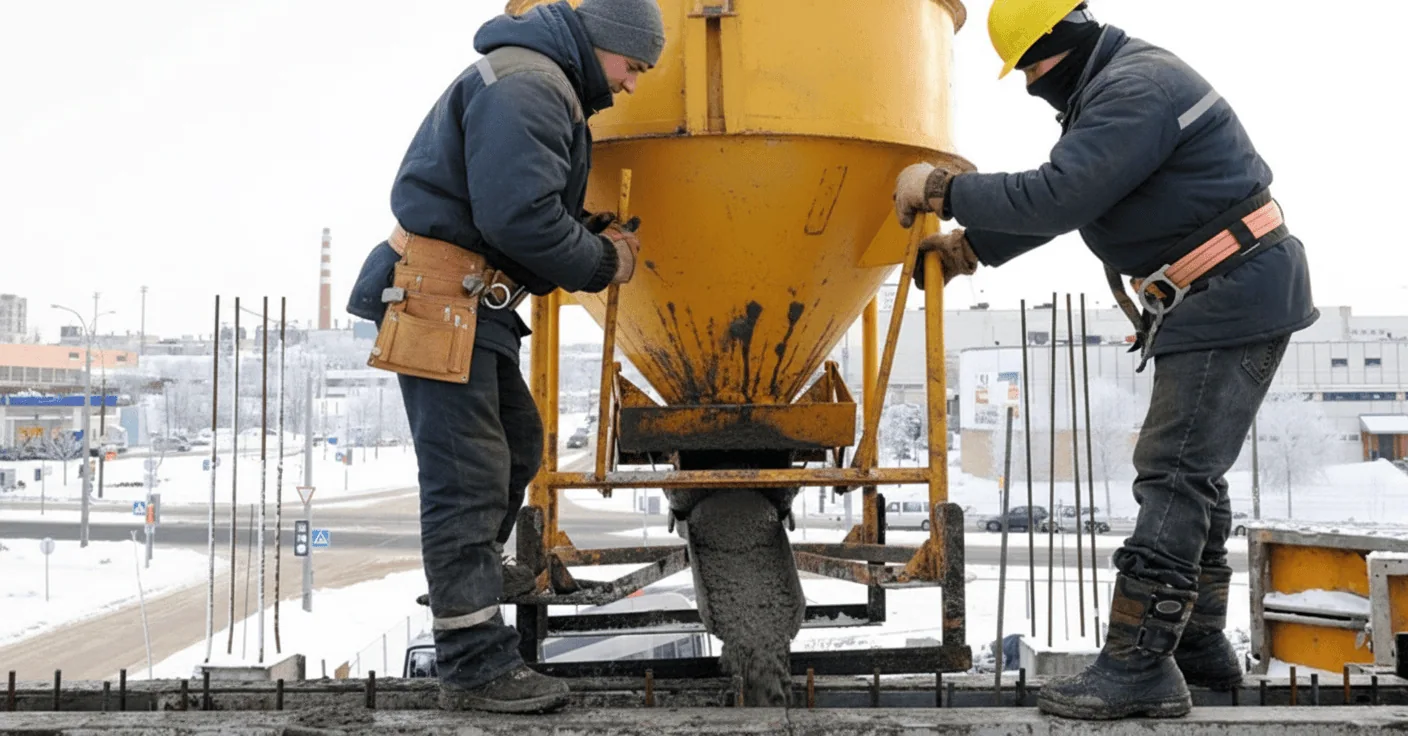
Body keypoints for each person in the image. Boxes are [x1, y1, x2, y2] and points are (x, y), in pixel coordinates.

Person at [894, 0, 1316, 721]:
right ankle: (1195, 646)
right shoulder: (1115, 86)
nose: (1030, 83)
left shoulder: (1134, 88)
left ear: (1061, 42)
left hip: (1231, 293)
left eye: (1030, 66)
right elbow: (1085, 194)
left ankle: (1138, 666)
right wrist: (974, 248)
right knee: (1191, 473)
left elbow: (1061, 195)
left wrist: (946, 191)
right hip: (1222, 293)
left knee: (1173, 473)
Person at [345, 0, 665, 715]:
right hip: (440, 298)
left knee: (517, 444)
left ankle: (475, 583)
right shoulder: (531, 86)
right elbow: (517, 218)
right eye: (634, 66)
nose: (632, 83)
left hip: (470, 300)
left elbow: (512, 203)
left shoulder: (540, 82)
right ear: (603, 42)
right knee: (468, 479)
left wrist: (584, 230)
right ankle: (472, 663)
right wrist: (601, 260)